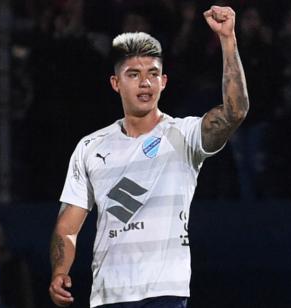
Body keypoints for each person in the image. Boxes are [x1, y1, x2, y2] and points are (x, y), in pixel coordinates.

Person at [48, 5, 249, 308]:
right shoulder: (90, 147)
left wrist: (227, 39)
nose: (145, 82)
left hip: (165, 294)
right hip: (109, 296)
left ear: (163, 82)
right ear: (116, 84)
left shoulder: (185, 135)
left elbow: (235, 111)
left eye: (152, 74)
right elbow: (67, 227)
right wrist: (59, 271)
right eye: (134, 74)